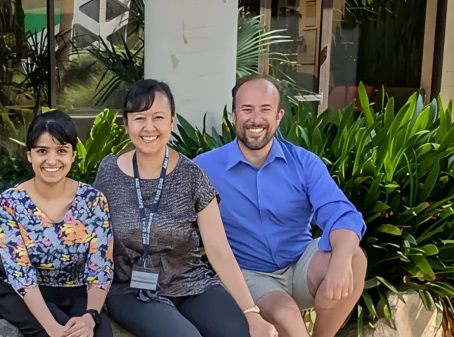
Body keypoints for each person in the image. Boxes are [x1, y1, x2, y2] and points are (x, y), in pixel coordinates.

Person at [92, 80, 278, 337]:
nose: (149, 127)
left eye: (158, 117)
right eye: (139, 118)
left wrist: (251, 313)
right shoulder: (109, 172)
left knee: (239, 333)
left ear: (171, 121)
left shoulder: (192, 175)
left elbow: (218, 249)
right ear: (126, 124)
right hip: (131, 288)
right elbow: (93, 239)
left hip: (192, 283)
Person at [194, 75, 367, 337]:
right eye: (247, 109)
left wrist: (340, 260)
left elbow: (342, 213)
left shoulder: (304, 163)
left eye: (265, 109)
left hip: (300, 263)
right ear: (233, 115)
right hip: (250, 274)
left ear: (278, 116)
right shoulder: (204, 168)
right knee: (287, 316)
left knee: (354, 258)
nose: (255, 119)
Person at [0, 110, 114, 337]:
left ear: (73, 155)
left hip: (77, 292)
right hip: (24, 295)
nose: (52, 160)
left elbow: (101, 267)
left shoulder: (93, 201)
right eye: (42, 151)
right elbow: (20, 273)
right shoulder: (9, 203)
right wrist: (54, 330)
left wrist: (90, 317)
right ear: (29, 154)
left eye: (61, 151)